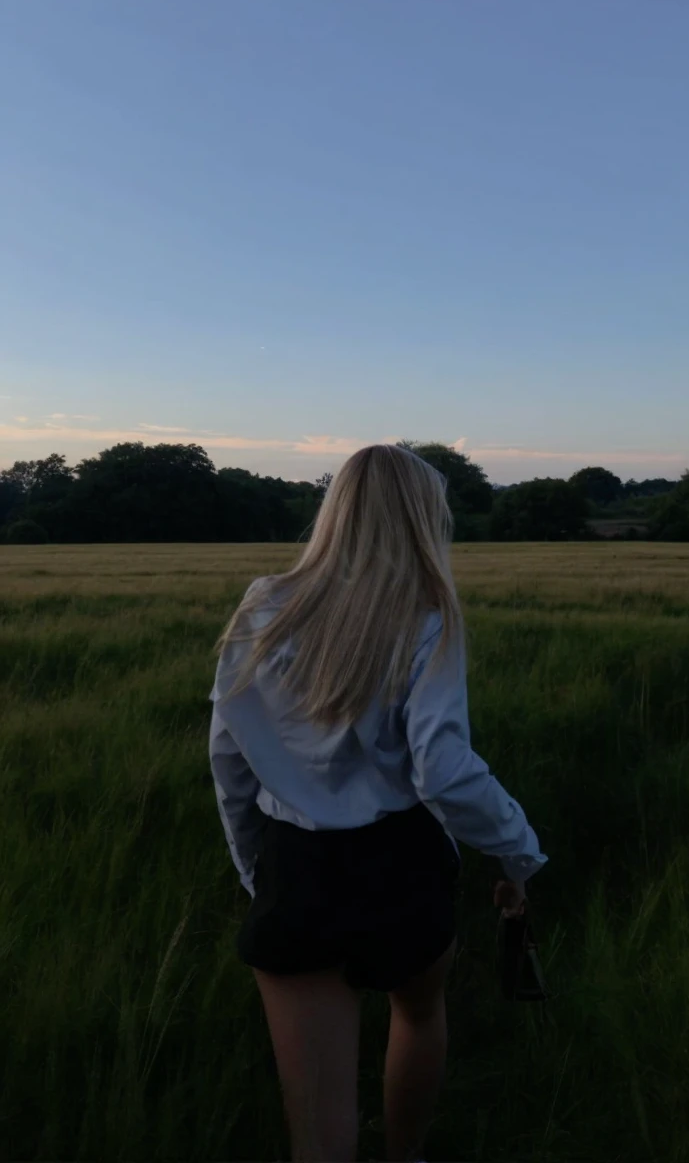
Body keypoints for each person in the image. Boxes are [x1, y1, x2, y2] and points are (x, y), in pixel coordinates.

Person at [209, 443, 547, 1163]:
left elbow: (230, 760)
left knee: (318, 1137)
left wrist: (255, 873)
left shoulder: (263, 606)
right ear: (424, 520)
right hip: (402, 863)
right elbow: (446, 775)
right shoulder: (429, 618)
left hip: (296, 868)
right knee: (418, 1014)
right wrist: (518, 852)